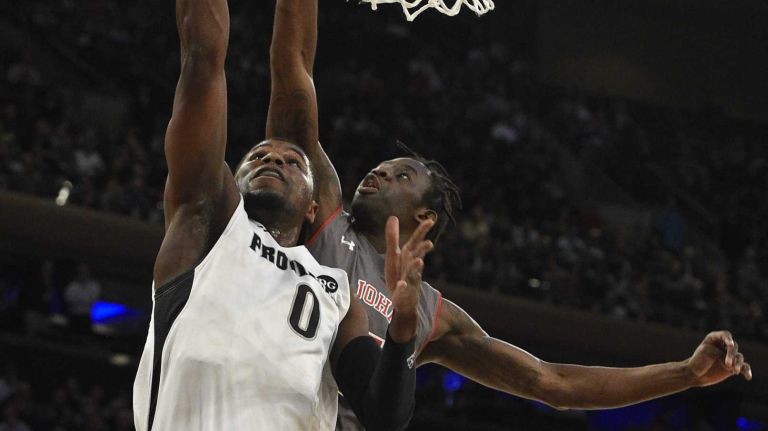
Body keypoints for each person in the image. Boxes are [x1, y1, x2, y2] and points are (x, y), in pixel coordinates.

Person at [266, 2, 754, 429]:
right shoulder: (322, 208)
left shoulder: (435, 315)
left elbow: (551, 381)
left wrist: (686, 374)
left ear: (425, 218)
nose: (380, 171)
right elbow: (293, 74)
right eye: (382, 167)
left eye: (401, 175)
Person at [131, 0, 435, 428]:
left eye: (293, 161)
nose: (274, 159)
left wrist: (402, 330)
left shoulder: (337, 293)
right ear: (233, 183)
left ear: (314, 206)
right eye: (257, 156)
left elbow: (385, 417)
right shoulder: (206, 224)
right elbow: (202, 62)